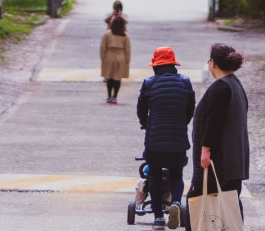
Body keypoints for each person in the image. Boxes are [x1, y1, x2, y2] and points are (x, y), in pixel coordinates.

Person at [187, 43, 250, 226]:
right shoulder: (235, 85)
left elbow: (215, 122)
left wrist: (205, 150)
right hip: (234, 160)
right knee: (229, 205)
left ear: (213, 63)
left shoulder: (220, 88)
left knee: (198, 200)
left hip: (218, 159)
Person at [136, 47, 195, 230]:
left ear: (155, 66)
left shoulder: (149, 83)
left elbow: (141, 108)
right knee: (177, 175)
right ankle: (176, 203)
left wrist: (146, 124)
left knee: (153, 176)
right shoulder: (185, 82)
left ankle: (159, 219)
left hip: (155, 140)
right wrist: (181, 123)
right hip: (178, 139)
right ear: (173, 64)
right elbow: (190, 108)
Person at [99, 15, 131, 103]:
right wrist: (127, 59)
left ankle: (109, 95)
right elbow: (127, 49)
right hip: (121, 56)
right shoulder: (125, 35)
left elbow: (103, 46)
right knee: (117, 77)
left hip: (109, 55)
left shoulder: (107, 33)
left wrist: (103, 57)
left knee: (109, 76)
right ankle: (115, 97)